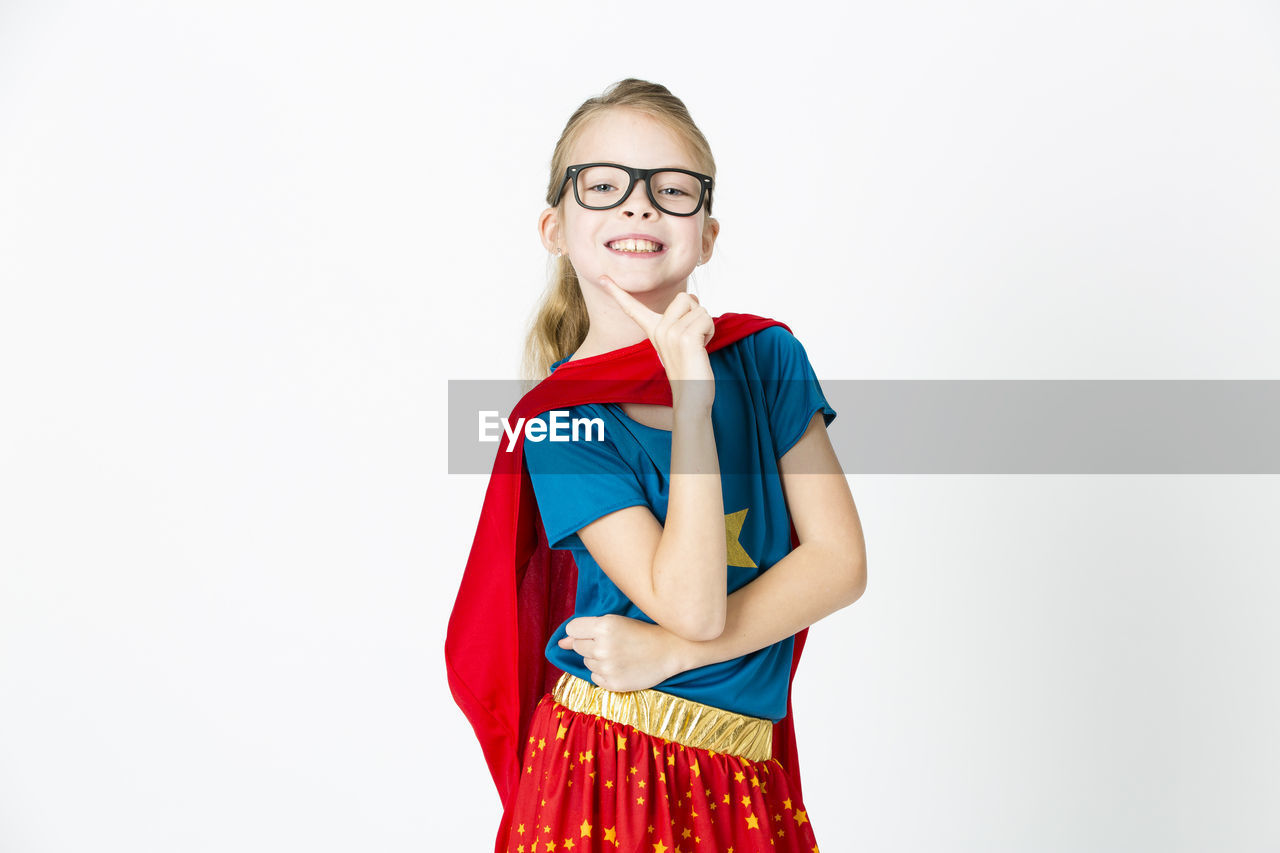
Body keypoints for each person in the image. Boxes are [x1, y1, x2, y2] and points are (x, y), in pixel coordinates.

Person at [447, 78, 867, 853]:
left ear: (707, 233)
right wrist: (692, 405)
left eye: (671, 190)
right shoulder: (559, 423)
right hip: (606, 769)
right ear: (554, 226)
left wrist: (675, 653)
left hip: (743, 770)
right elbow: (693, 601)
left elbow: (839, 564)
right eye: (603, 186)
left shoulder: (767, 359)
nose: (638, 207)